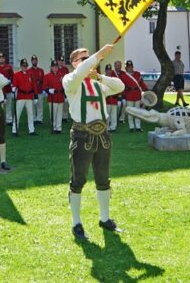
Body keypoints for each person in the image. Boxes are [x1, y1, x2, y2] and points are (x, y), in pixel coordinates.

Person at [63, 44, 125, 240]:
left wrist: (99, 77)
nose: (89, 61)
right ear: (74, 64)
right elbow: (80, 73)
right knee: (78, 180)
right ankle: (76, 223)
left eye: (88, 58)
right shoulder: (70, 81)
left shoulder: (97, 84)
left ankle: (105, 219)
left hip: (103, 135)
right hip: (82, 135)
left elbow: (120, 86)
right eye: (83, 59)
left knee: (103, 178)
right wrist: (98, 55)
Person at [118, 60, 148, 132]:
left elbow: (141, 83)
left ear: (133, 67)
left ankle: (138, 127)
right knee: (130, 111)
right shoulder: (123, 76)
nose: (130, 68)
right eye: (128, 67)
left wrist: (146, 90)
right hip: (129, 95)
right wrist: (122, 95)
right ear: (126, 68)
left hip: (137, 94)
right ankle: (131, 127)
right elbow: (123, 86)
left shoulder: (137, 74)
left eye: (131, 67)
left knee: (137, 111)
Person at [12, 58, 36, 136]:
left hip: (29, 96)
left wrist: (35, 96)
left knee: (30, 114)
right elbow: (14, 84)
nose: (24, 67)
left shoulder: (30, 74)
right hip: (21, 96)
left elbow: (33, 85)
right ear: (21, 66)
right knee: (17, 113)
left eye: (25, 66)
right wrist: (13, 88)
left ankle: (31, 130)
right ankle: (14, 129)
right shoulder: (17, 75)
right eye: (23, 66)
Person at [43, 60, 64, 134]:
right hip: (53, 97)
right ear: (51, 67)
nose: (55, 68)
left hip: (60, 97)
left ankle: (59, 128)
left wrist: (65, 95)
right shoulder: (47, 76)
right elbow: (44, 86)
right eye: (53, 67)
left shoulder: (61, 75)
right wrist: (48, 90)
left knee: (59, 113)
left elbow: (63, 86)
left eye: (56, 67)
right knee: (53, 113)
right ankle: (53, 127)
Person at [0, 52, 15, 124]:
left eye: (3, 58)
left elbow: (12, 76)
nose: (1, 60)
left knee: (8, 105)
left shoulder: (9, 67)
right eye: (0, 58)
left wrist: (11, 82)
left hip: (8, 89)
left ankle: (9, 120)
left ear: (5, 59)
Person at [29, 55, 45, 124]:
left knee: (40, 105)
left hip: (39, 90)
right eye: (33, 60)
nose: (34, 61)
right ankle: (33, 119)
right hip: (32, 91)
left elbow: (43, 80)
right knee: (32, 106)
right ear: (31, 61)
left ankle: (39, 119)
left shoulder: (41, 70)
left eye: (35, 60)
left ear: (37, 61)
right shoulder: (29, 70)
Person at [104, 64, 120, 131]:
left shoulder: (114, 78)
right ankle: (107, 127)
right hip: (106, 99)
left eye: (110, 70)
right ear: (105, 71)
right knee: (107, 114)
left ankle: (113, 127)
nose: (109, 72)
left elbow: (118, 87)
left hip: (114, 98)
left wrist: (117, 94)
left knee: (114, 114)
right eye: (107, 70)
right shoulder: (103, 78)